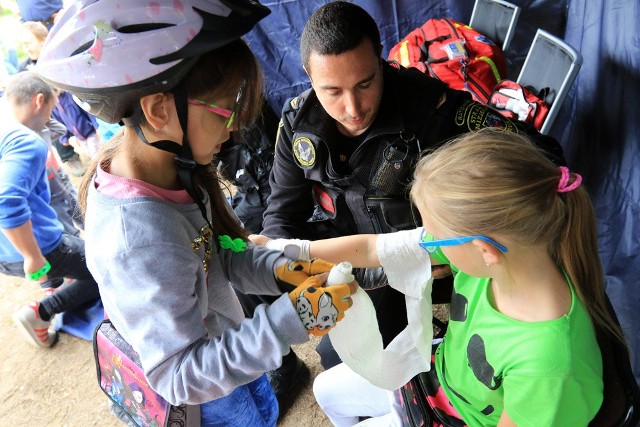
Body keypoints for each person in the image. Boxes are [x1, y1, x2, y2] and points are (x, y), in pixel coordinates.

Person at [35, 1, 356, 425]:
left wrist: (276, 269)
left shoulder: (169, 173)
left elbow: (209, 257)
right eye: (226, 109)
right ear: (159, 110)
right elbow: (180, 375)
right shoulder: (138, 238)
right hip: (209, 399)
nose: (237, 126)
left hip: (232, 356)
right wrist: (287, 322)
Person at [260, 0, 565, 374]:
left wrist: (463, 232)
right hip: (342, 256)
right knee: (337, 358)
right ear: (308, 75)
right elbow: (281, 214)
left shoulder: (430, 108)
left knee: (351, 361)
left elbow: (543, 157)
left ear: (382, 63)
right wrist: (296, 274)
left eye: (365, 83)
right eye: (332, 91)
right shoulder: (297, 123)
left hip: (410, 261)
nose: (352, 108)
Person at [265, 128, 624, 426]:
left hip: (460, 416)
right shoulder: (508, 254)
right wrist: (290, 248)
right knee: (326, 389)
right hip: (442, 378)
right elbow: (373, 248)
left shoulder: (547, 365)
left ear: (485, 251)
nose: (427, 241)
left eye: (435, 236)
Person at [0, 71, 100, 348]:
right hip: (39, 247)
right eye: (52, 109)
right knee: (108, 268)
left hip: (4, 254)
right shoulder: (26, 142)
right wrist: (32, 257)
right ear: (39, 100)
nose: (51, 119)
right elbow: (6, 201)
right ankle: (41, 313)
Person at [18, 21, 86, 176]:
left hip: (72, 104)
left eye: (29, 43)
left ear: (43, 40)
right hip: (51, 110)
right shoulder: (25, 67)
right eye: (22, 45)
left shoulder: (58, 56)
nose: (26, 48)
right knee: (42, 120)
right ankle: (69, 156)